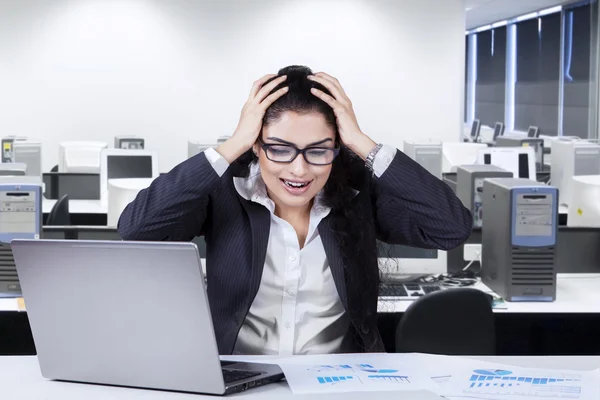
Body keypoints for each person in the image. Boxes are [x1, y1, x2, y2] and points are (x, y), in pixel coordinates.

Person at [118, 65, 473, 355]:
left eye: (318, 150)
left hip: (340, 386)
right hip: (239, 383)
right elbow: (135, 229)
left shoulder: (358, 197)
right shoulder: (224, 195)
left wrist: (364, 144)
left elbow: (452, 227)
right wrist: (231, 146)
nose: (299, 170)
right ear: (256, 144)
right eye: (280, 149)